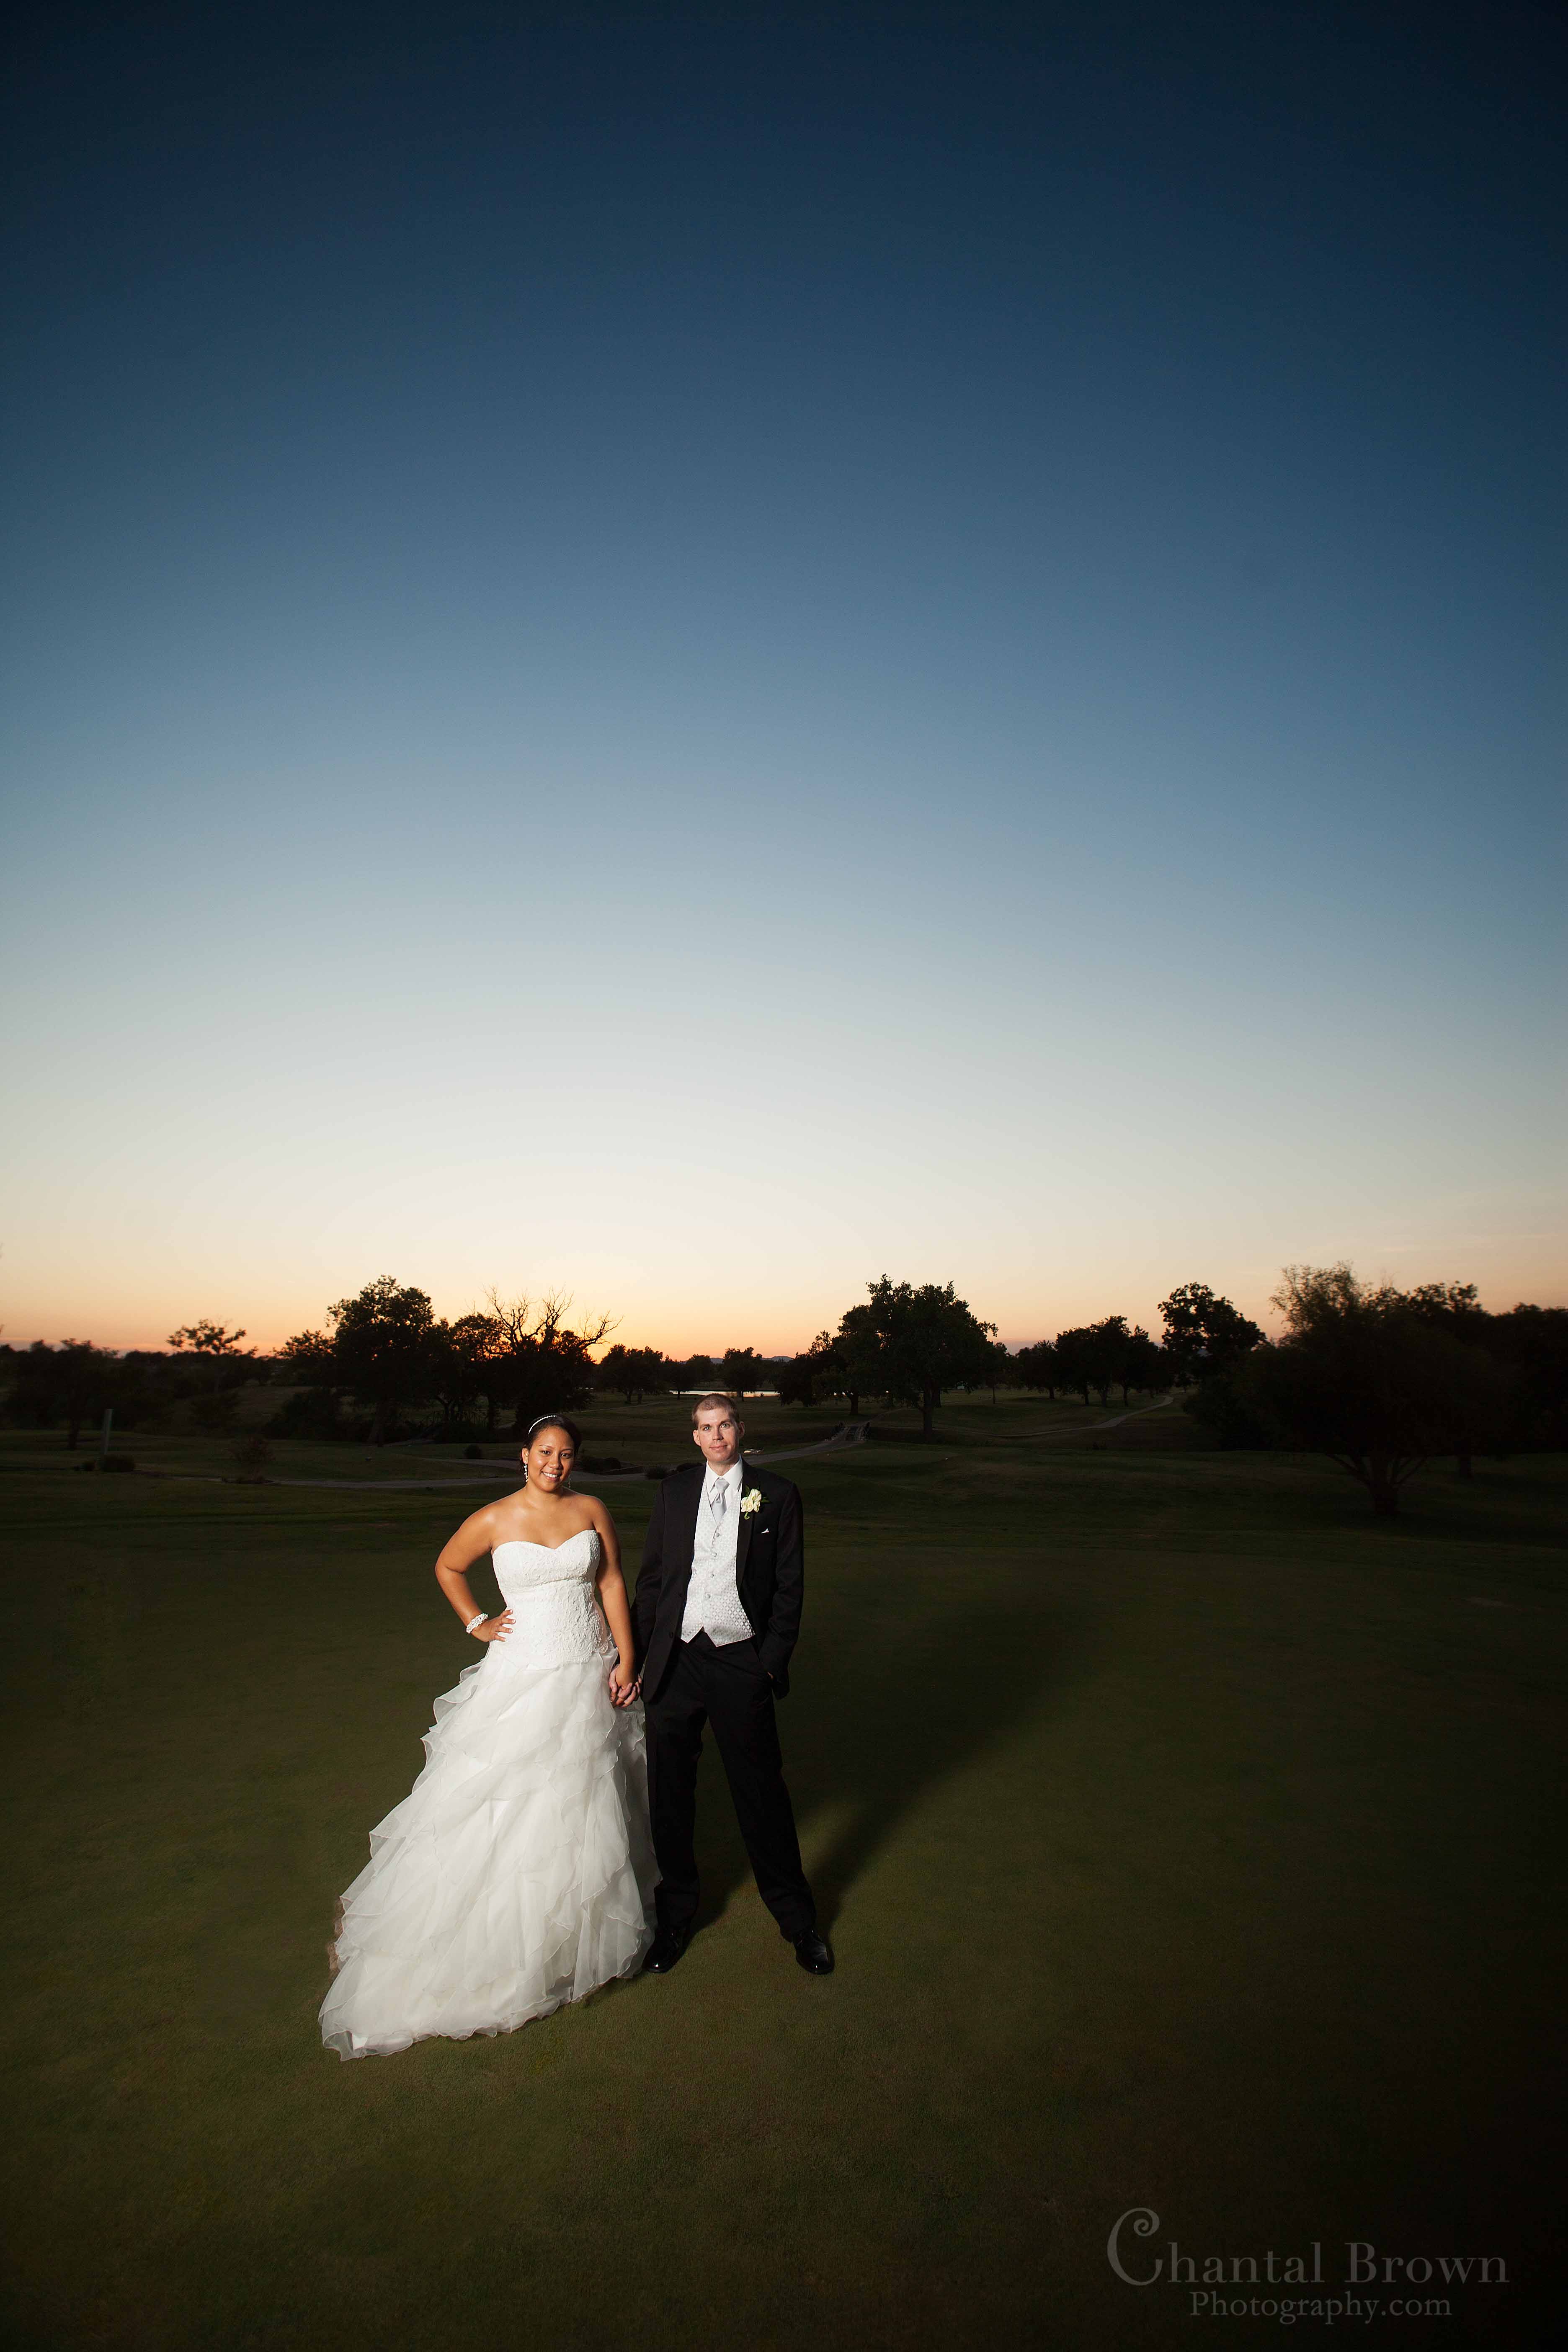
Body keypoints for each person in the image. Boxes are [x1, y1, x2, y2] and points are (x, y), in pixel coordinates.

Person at [320, 1414, 656, 2059]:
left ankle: (572, 1938)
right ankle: (503, 1946)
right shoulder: (494, 1517)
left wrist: (626, 1657)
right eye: (545, 1452)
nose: (555, 1463)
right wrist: (477, 1622)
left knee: (584, 1798)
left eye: (566, 1454)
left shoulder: (592, 1509)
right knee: (509, 1801)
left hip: (588, 1670)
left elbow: (612, 1581)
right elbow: (449, 1566)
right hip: (523, 1675)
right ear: (524, 1455)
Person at [633, 1393, 833, 1977]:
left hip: (740, 1660)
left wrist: (768, 1663)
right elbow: (652, 1581)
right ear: (694, 1437)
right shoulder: (673, 1492)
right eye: (706, 1427)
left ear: (740, 1430)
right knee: (670, 1795)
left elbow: (790, 1587)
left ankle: (798, 1921)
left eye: (725, 1425)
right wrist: (642, 1659)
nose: (716, 1436)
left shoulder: (778, 1494)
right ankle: (675, 1919)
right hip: (675, 1661)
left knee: (761, 1793)